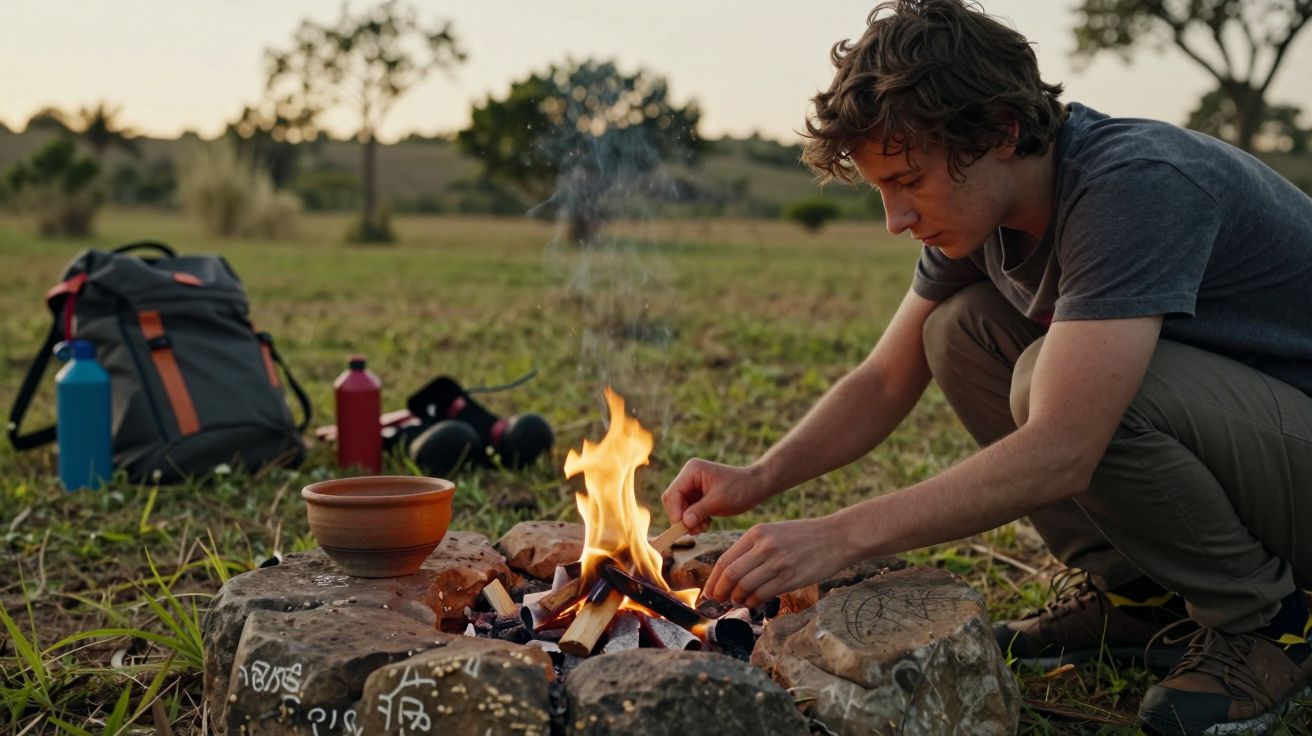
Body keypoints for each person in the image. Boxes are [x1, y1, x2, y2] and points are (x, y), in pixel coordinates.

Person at [661, 1, 1312, 733]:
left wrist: (838, 535)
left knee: (1056, 385)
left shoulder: (1136, 184)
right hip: (1258, 452)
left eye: (908, 180)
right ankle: (1138, 597)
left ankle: (1266, 622)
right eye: (882, 189)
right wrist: (759, 477)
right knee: (957, 331)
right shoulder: (978, 214)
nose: (895, 218)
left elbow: (1064, 449)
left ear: (1001, 130)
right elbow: (884, 379)